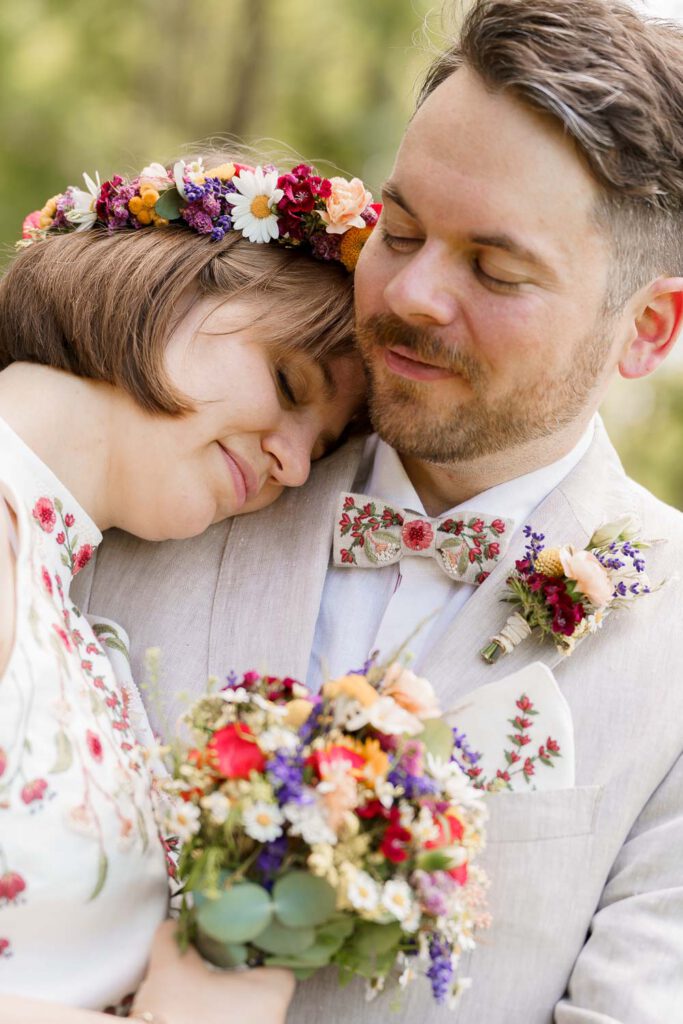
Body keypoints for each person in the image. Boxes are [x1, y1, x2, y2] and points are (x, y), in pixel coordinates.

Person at [77, 2, 683, 1022]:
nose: (410, 294)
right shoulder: (168, 477)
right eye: (397, 230)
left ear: (646, 330)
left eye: (494, 270)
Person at [0, 152, 369, 1022]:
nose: (291, 460)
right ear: (160, 283)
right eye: (288, 384)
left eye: (316, 447)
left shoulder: (66, 597)